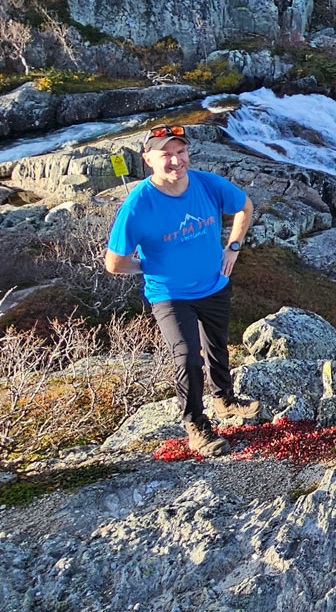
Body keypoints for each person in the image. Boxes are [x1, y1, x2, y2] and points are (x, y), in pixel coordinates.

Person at [104, 124, 262, 457]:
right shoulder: (137, 206)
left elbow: (244, 207)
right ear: (148, 159)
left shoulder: (208, 184)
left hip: (214, 284)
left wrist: (233, 247)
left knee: (218, 345)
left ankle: (224, 400)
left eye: (181, 152)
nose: (176, 161)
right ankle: (196, 426)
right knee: (188, 357)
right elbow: (114, 263)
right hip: (170, 295)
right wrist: (151, 268)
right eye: (166, 155)